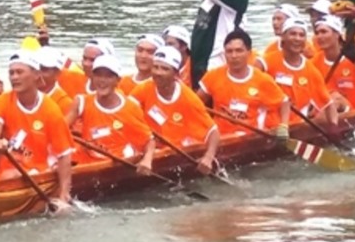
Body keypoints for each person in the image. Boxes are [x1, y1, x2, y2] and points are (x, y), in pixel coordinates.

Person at [0, 52, 74, 211]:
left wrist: (64, 195)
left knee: (9, 176)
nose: (14, 77)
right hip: (7, 169)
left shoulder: (51, 109)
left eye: (20, 72)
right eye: (11, 73)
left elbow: (64, 154)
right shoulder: (1, 102)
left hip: (39, 168)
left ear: (36, 75)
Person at [128, 47, 220, 175]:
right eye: (155, 67)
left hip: (178, 150)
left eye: (165, 69)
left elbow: (213, 131)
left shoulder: (188, 98)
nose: (158, 73)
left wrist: (209, 157)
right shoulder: (142, 89)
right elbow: (124, 114)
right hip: (152, 147)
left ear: (176, 74)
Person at [64, 54, 155, 171]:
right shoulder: (81, 102)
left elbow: (149, 140)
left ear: (118, 80)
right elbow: (60, 130)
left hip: (118, 162)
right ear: (92, 77)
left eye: (108, 77)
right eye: (98, 75)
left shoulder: (130, 107)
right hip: (86, 160)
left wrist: (147, 160)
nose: (102, 81)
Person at [198, 29, 291, 138]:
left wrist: (284, 125)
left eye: (239, 51)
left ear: (249, 53)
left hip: (251, 138)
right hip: (221, 139)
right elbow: (196, 103)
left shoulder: (262, 80)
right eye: (229, 51)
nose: (234, 56)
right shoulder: (213, 76)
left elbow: (284, 103)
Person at [259, 19, 338, 126]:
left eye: (301, 35)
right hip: (266, 126)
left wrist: (334, 128)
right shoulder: (265, 62)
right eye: (293, 34)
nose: (297, 38)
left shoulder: (311, 71)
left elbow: (329, 105)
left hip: (295, 126)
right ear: (283, 37)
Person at [310, 15, 355, 111]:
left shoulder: (353, 57)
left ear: (337, 34)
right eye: (317, 33)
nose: (319, 36)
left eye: (324, 32)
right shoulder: (314, 62)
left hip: (354, 111)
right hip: (325, 111)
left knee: (335, 98)